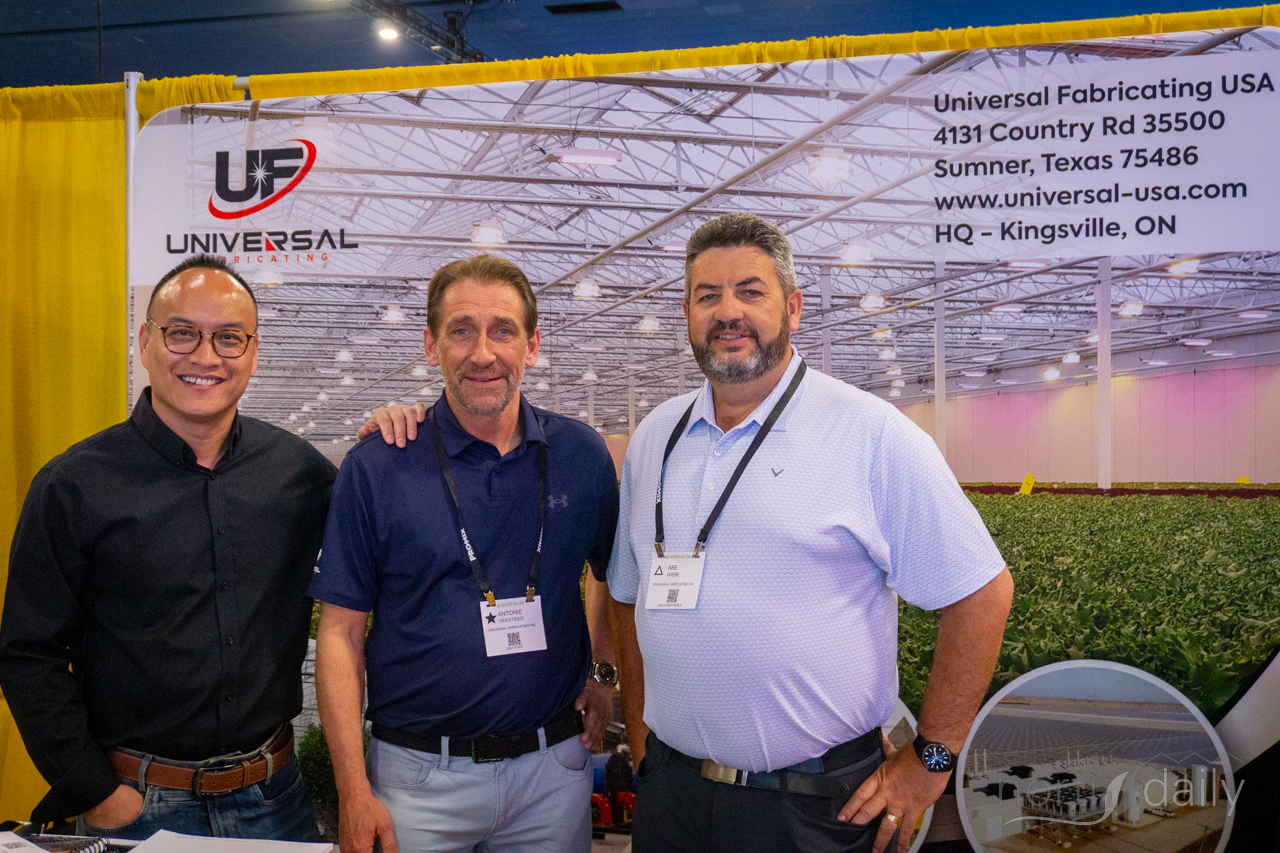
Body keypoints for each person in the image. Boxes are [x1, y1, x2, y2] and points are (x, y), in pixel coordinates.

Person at [607, 213, 1015, 853]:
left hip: (813, 808)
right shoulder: (655, 438)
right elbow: (627, 594)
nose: (728, 312)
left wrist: (932, 758)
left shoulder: (870, 432)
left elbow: (982, 593)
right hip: (673, 798)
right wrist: (640, 738)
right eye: (708, 296)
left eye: (750, 292)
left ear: (793, 308)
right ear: (686, 313)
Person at [0, 256, 336, 840]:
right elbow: (29, 652)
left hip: (277, 799)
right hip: (137, 806)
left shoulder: (300, 474)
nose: (205, 357)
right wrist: (94, 790)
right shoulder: (74, 485)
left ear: (253, 352)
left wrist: (403, 433)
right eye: (182, 333)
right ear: (145, 341)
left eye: (229, 337)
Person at [312, 253, 621, 853]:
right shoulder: (379, 466)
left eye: (503, 330)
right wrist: (352, 790)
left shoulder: (580, 455)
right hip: (418, 783)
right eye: (461, 331)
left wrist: (602, 673)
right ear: (432, 346)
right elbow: (340, 634)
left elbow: (613, 576)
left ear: (532, 345)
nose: (483, 353)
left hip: (552, 776)